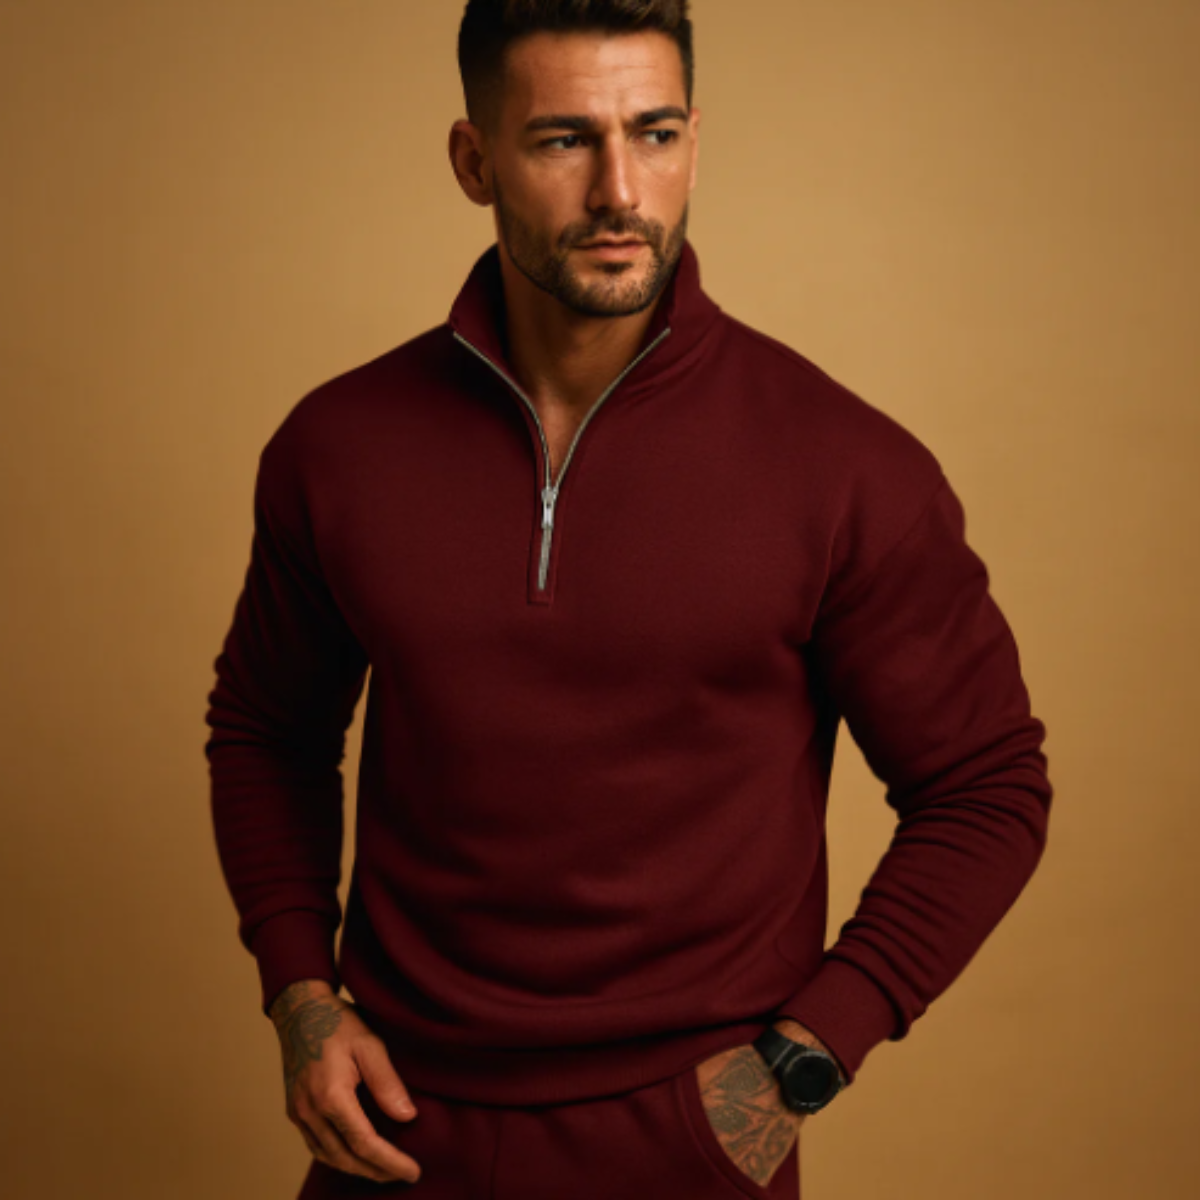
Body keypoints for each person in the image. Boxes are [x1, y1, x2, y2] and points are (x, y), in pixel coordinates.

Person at [203, 2, 1054, 1197]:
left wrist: (802, 1063)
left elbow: (987, 785)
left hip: (692, 1141)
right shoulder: (339, 445)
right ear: (473, 162)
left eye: (653, 134)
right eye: (563, 140)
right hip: (393, 1132)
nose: (619, 191)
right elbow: (267, 732)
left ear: (693, 143)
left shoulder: (845, 467)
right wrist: (300, 995)